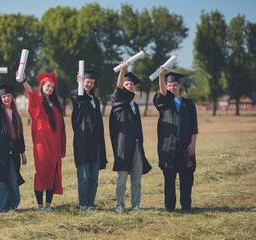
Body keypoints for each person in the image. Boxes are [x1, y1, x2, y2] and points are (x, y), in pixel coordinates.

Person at [20, 71, 66, 212]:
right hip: (42, 144)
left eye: (52, 87)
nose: (50, 89)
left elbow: (61, 129)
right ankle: (40, 205)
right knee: (41, 172)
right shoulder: (38, 101)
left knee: (53, 172)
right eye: (48, 86)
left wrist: (62, 148)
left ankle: (48, 205)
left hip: (55, 145)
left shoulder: (56, 106)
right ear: (42, 86)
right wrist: (24, 81)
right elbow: (31, 94)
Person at [153, 70, 198, 212]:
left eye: (174, 85)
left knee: (187, 177)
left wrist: (193, 143)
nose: (172, 87)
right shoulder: (163, 103)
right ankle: (170, 207)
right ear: (166, 87)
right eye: (169, 85)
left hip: (186, 146)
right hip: (169, 147)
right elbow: (162, 93)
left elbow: (194, 126)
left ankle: (186, 205)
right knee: (169, 178)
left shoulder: (189, 104)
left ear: (179, 86)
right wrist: (161, 75)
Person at [109, 64, 152, 213]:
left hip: (137, 145)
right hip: (123, 146)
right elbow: (119, 85)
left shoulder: (135, 105)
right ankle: (119, 205)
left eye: (132, 84)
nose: (130, 86)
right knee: (122, 179)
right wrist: (122, 70)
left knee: (137, 178)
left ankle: (136, 204)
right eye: (127, 84)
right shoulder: (117, 100)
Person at [0, 72, 27, 213]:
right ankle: (0, 207)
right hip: (0, 151)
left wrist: (23, 153)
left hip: (14, 152)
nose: (6, 98)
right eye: (3, 96)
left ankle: (12, 206)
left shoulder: (15, 113)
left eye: (8, 95)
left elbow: (20, 135)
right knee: (0, 180)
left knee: (13, 179)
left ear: (12, 97)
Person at [71, 69, 107, 211]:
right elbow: (77, 94)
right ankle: (82, 204)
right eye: (87, 82)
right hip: (82, 142)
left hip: (96, 142)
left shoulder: (95, 100)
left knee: (94, 176)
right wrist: (79, 83)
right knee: (84, 176)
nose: (90, 84)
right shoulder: (77, 97)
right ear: (82, 82)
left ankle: (90, 204)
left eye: (92, 82)